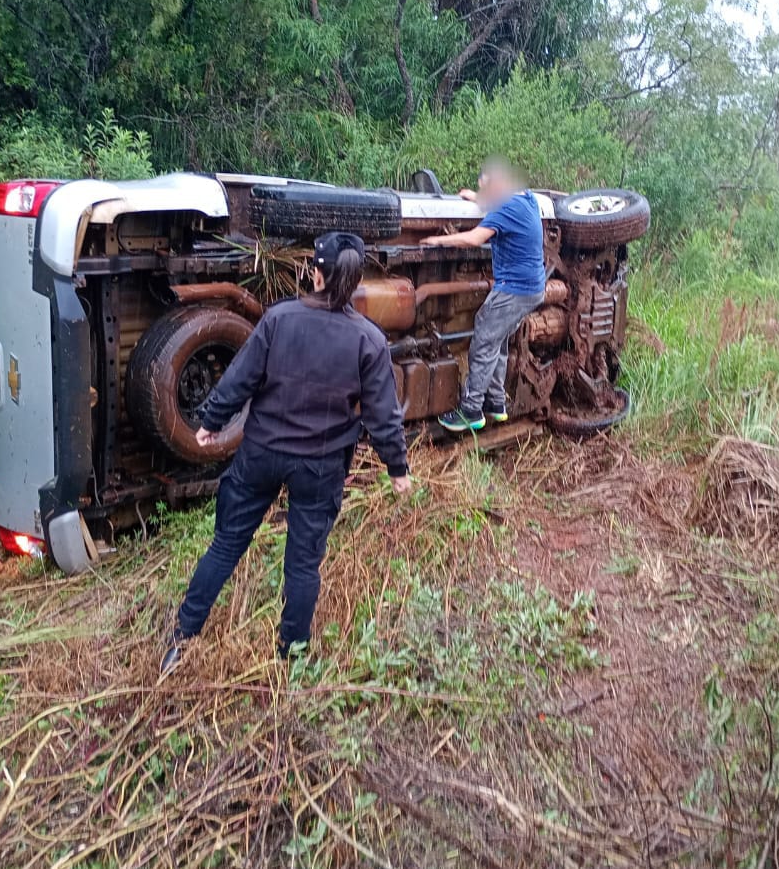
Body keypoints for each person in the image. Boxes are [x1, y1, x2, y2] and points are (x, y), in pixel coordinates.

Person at [161, 231, 413, 674]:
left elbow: (241, 376)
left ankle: (180, 639)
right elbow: (382, 414)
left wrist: (211, 422)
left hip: (261, 454)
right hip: (319, 466)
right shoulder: (368, 339)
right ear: (352, 281)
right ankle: (290, 660)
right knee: (302, 565)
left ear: (316, 273)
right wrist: (397, 468)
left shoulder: (279, 319)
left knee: (225, 546)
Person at [421, 158, 546, 431]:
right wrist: (475, 197)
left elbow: (474, 238)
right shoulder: (526, 199)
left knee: (483, 341)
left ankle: (471, 411)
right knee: (498, 341)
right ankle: (496, 403)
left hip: (514, 288)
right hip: (533, 288)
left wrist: (438, 240)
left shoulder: (505, 208)